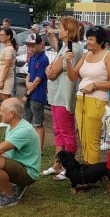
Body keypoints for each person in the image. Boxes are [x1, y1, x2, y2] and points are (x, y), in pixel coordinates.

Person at [65, 25, 110, 164]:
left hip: (97, 101)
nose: (88, 42)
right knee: (83, 137)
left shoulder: (108, 56)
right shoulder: (86, 55)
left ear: (100, 41)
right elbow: (73, 76)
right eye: (87, 39)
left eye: (91, 39)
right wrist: (68, 61)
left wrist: (95, 85)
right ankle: (87, 169)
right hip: (81, 99)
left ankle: (92, 172)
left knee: (92, 139)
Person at [41, 17, 83, 181]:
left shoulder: (74, 48)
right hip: (57, 96)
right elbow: (51, 70)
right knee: (58, 131)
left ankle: (70, 167)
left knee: (67, 133)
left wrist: (49, 69)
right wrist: (49, 69)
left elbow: (53, 71)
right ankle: (58, 164)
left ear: (68, 30)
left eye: (61, 27)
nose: (59, 30)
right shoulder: (65, 47)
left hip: (65, 96)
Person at [21, 32, 49, 148]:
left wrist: (27, 93)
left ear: (40, 45)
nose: (30, 49)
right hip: (30, 92)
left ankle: (39, 148)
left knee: (38, 123)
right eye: (28, 46)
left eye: (33, 46)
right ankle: (27, 144)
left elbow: (37, 80)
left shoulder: (44, 59)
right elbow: (29, 74)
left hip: (37, 95)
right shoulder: (32, 58)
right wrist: (27, 83)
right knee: (26, 120)